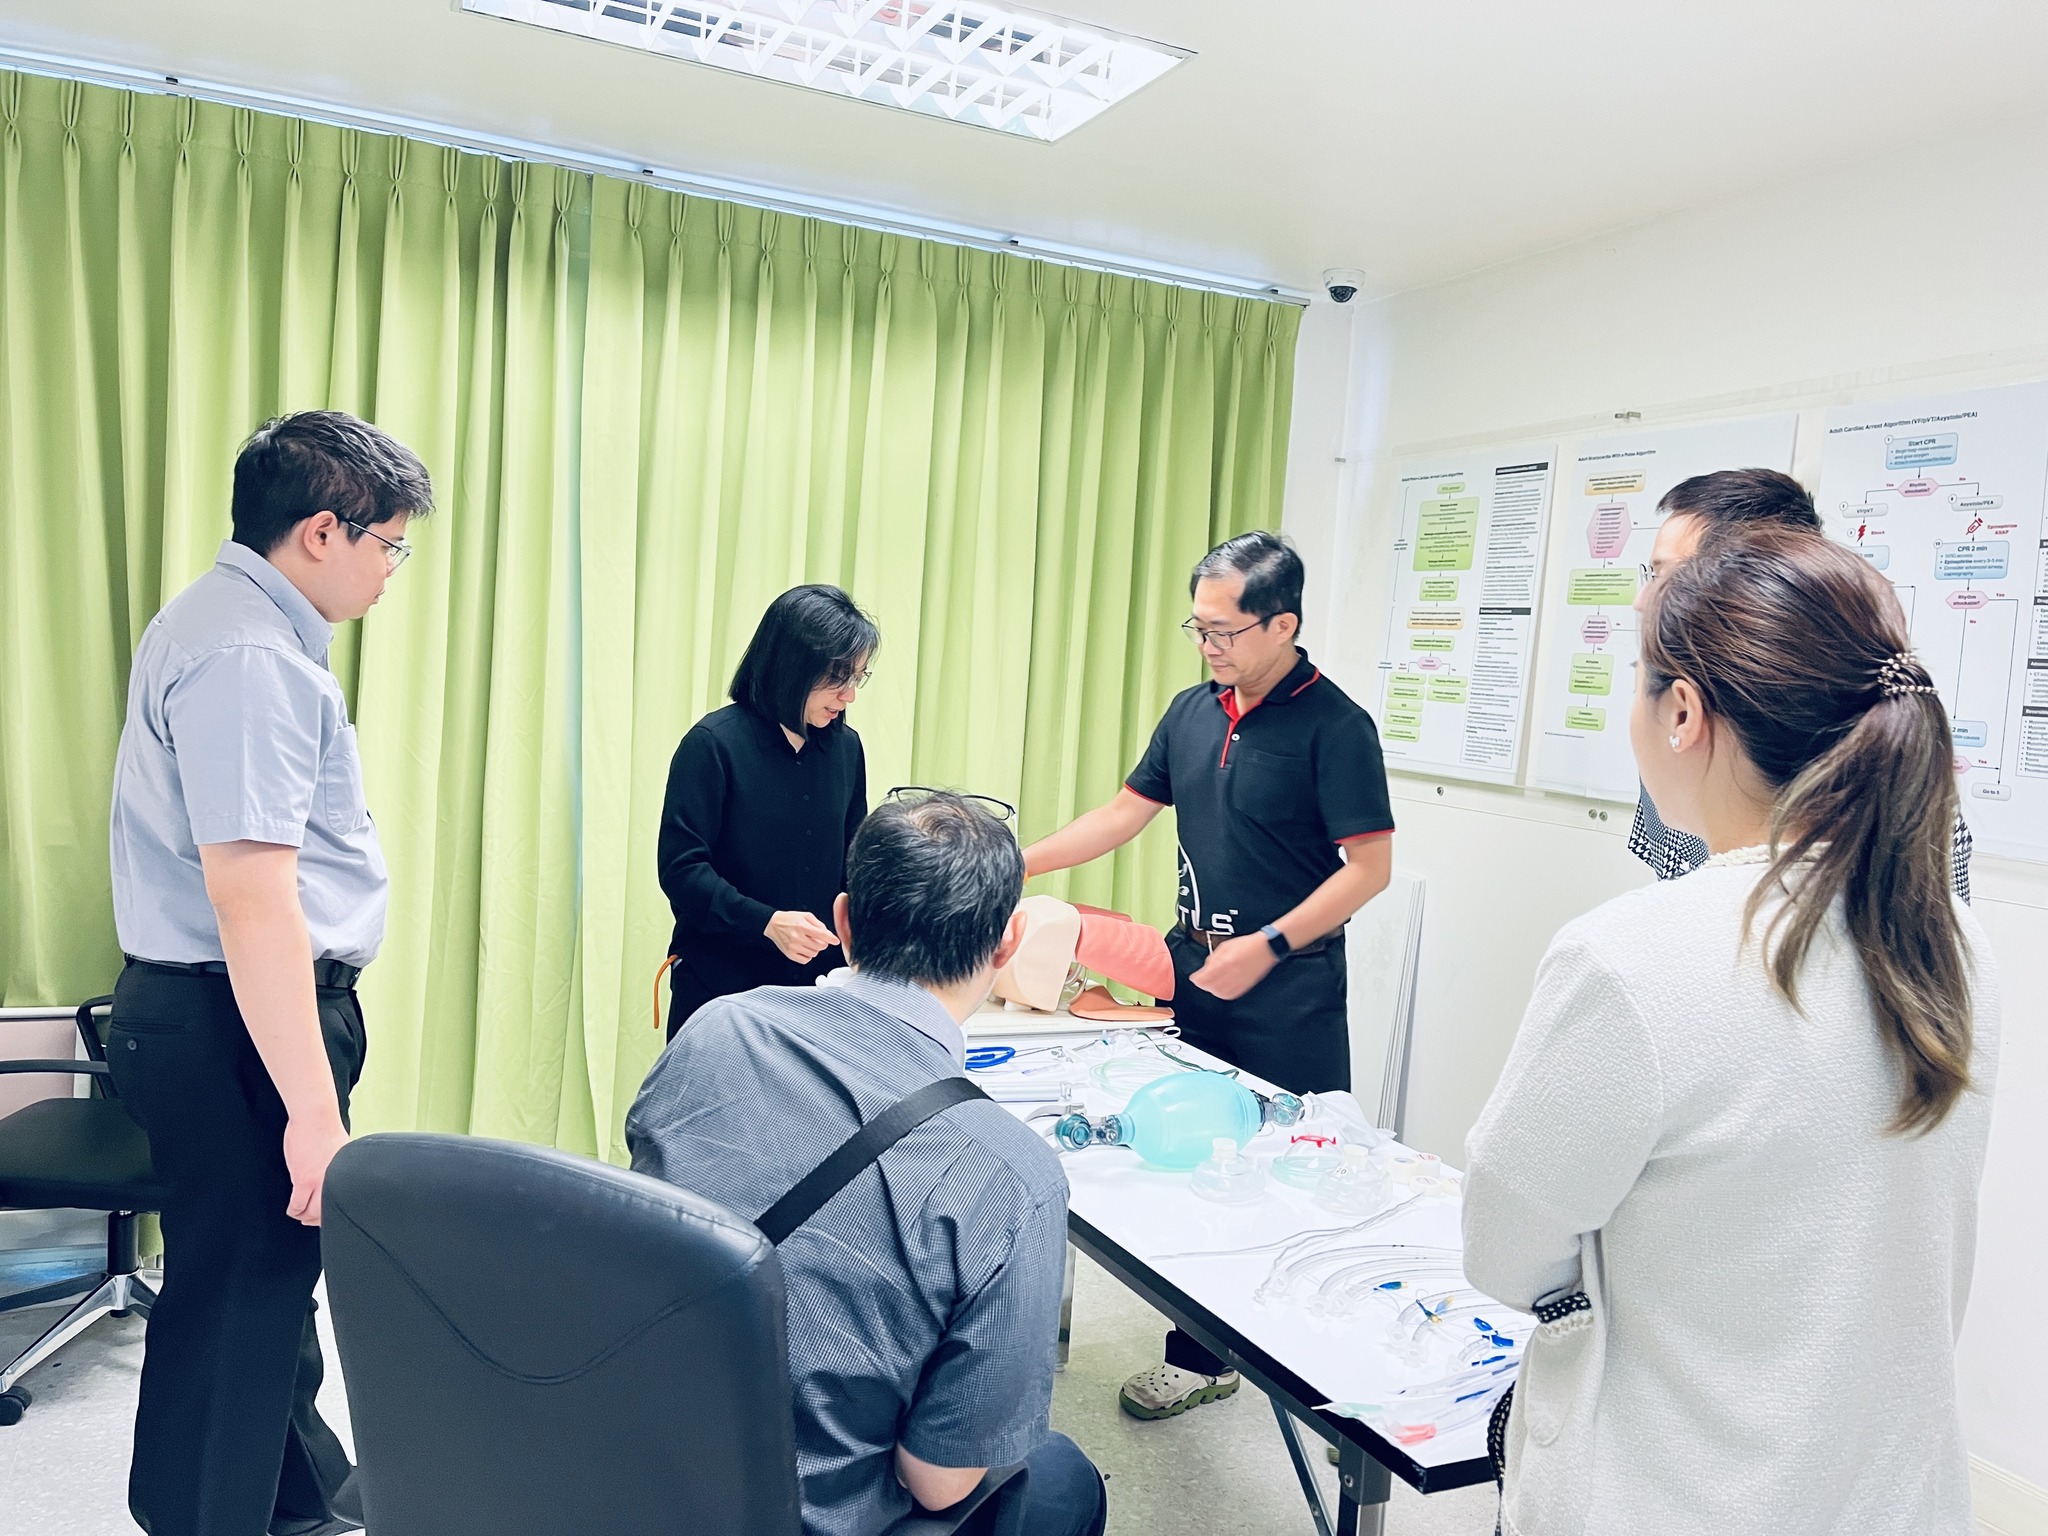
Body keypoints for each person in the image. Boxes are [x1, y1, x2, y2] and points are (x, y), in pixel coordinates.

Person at [1464, 528, 1999, 1536]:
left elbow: (1505, 1250)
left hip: (1676, 1493)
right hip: (1886, 1492)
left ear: (1681, 712)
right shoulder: (1950, 935)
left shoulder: (1629, 956)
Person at [106, 411, 432, 1536]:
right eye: (388, 545)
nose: (391, 571)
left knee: (263, 1285)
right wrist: (310, 1112)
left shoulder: (227, 623)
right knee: (239, 1304)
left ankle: (299, 1504)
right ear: (322, 531)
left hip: (217, 1013)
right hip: (236, 1020)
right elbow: (251, 899)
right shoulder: (248, 656)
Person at [627, 793, 1105, 1536]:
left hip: (635, 1465)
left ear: (843, 920)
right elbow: (939, 1484)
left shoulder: (715, 1029)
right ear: (1007, 943)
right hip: (794, 1517)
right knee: (1066, 1479)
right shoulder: (1013, 1175)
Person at [1021, 530, 1395, 1421]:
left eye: (1224, 631)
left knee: (1290, 1168)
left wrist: (1268, 944)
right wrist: (1016, 863)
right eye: (1198, 628)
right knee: (1189, 1161)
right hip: (1194, 970)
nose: (1208, 646)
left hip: (1289, 987)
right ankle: (1201, 1358)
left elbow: (1369, 868)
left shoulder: (1335, 727)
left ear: (1283, 625)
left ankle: (1318, 1367)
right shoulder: (1193, 710)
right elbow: (1124, 812)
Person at [1628, 467, 1973, 899]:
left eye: (1672, 577)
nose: (1643, 601)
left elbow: (1927, 926)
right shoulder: (1673, 718)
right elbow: (1672, 881)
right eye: (1653, 574)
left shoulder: (1877, 735)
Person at [658, 585, 876, 1040]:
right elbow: (682, 871)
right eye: (837, 679)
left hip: (819, 991)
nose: (849, 696)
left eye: (858, 678)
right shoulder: (713, 745)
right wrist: (767, 923)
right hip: (720, 990)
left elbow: (854, 866)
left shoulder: (846, 748)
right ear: (792, 667)